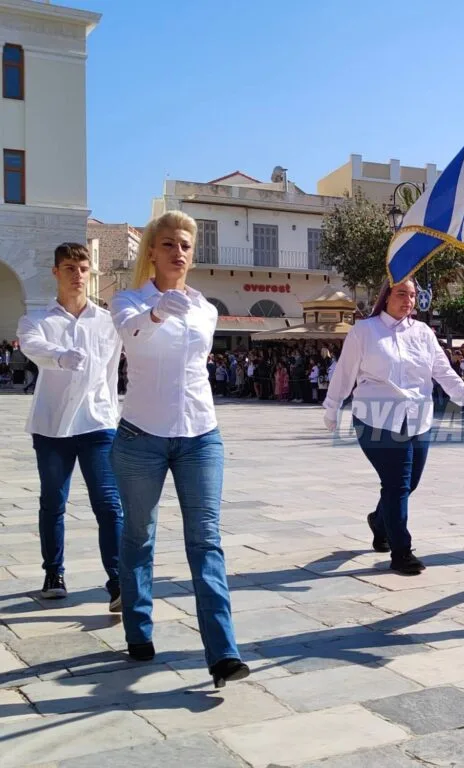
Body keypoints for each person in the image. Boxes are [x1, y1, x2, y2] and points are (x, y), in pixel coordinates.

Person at [110, 211, 248, 688]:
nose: (178, 252)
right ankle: (138, 628)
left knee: (205, 540)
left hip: (201, 436)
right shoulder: (128, 301)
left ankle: (222, 651)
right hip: (140, 437)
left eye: (185, 244)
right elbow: (131, 336)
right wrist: (155, 312)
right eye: (168, 244)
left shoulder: (206, 308)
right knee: (139, 536)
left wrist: (174, 306)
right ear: (152, 250)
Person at [322, 278, 464, 575]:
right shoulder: (365, 331)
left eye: (413, 295)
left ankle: (380, 521)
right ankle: (401, 552)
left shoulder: (423, 332)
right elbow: (345, 372)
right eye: (401, 294)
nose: (408, 300)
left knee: (410, 483)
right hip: (376, 419)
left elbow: (444, 373)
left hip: (418, 418)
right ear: (385, 297)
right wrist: (332, 407)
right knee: (397, 483)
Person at [16, 242, 124, 608]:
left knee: (109, 504)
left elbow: (111, 375)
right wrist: (60, 356)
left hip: (97, 423)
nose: (76, 275)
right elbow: (32, 347)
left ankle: (118, 581)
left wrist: (111, 413)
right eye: (68, 268)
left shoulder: (108, 323)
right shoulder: (36, 321)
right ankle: (54, 571)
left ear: (90, 271)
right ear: (56, 272)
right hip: (53, 427)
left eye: (82, 268)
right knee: (53, 501)